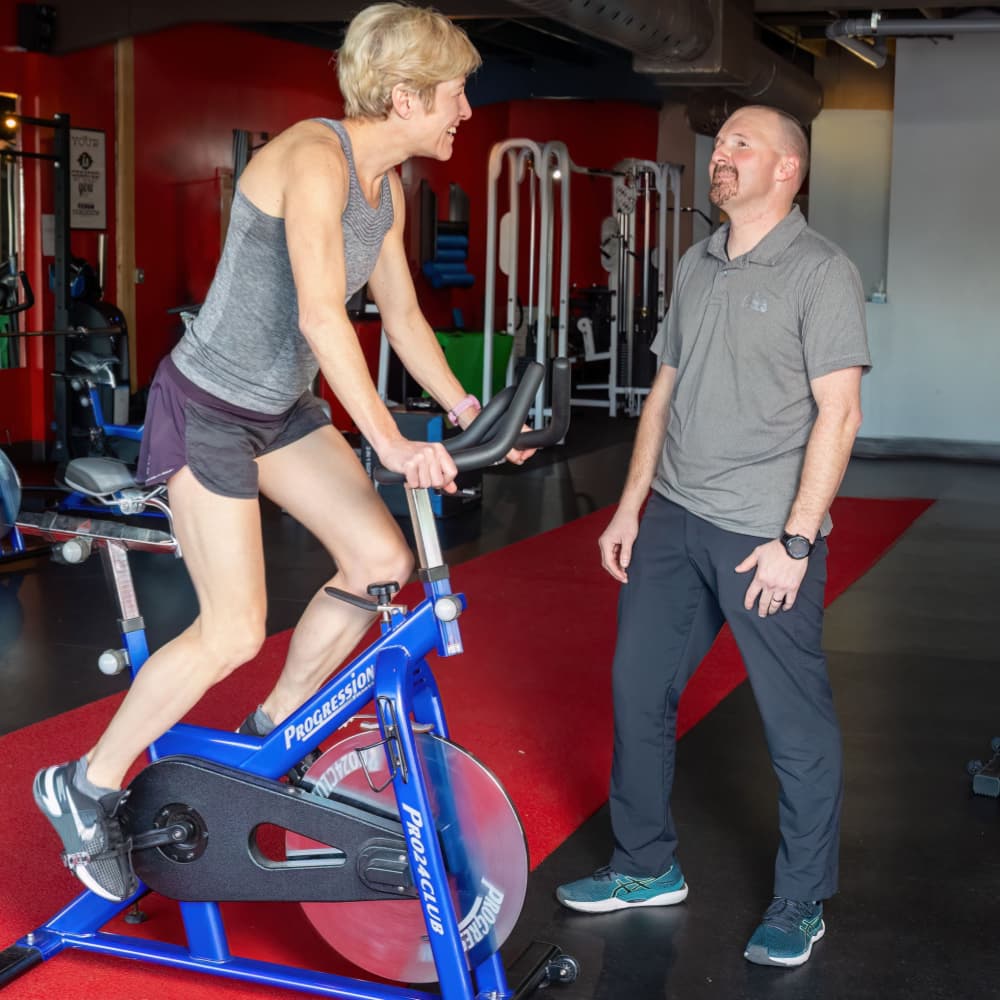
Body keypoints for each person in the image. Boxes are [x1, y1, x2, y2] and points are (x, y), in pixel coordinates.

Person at [33, 2, 532, 903]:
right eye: (456, 95)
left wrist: (466, 408)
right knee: (230, 627)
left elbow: (406, 317)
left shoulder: (388, 191)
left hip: (284, 410)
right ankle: (85, 783)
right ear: (407, 94)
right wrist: (391, 439)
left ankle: (272, 735)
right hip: (210, 409)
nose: (465, 111)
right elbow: (317, 315)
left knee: (380, 561)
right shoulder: (314, 159)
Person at [555, 105, 871, 968]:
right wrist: (629, 507)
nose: (721, 157)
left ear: (787, 171)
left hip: (764, 537)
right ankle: (644, 865)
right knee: (635, 689)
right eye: (721, 142)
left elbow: (839, 413)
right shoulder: (697, 263)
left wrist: (797, 542)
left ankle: (801, 900)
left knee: (792, 724)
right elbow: (662, 394)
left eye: (741, 146)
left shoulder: (821, 272)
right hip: (675, 521)